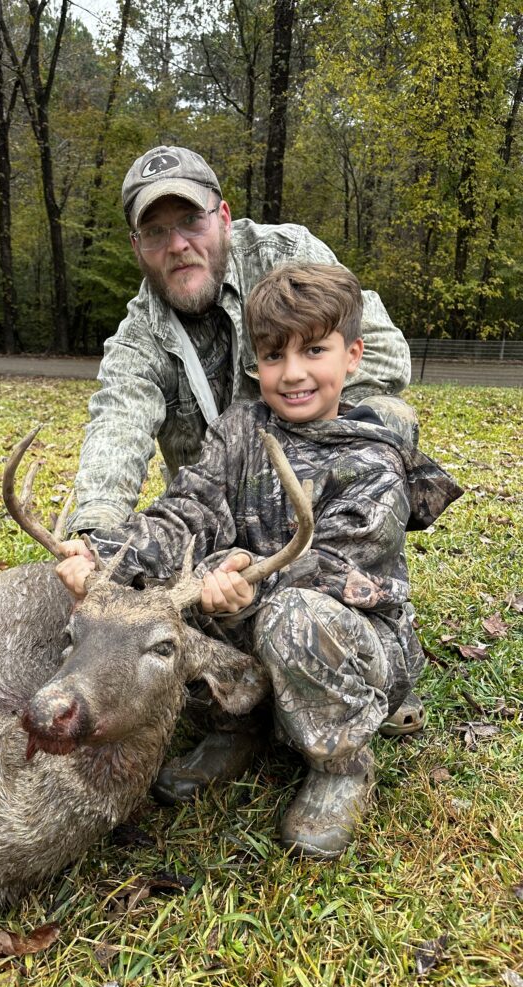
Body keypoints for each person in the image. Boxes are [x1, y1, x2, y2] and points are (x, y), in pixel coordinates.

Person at [57, 263, 462, 858]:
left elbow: (338, 566)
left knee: (290, 615)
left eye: (315, 351)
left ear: (353, 356)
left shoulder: (373, 459)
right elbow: (183, 512)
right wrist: (105, 554)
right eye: (274, 356)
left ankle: (341, 764)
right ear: (256, 364)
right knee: (164, 598)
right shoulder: (239, 430)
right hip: (245, 609)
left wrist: (242, 578)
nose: (293, 373)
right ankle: (237, 727)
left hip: (348, 637)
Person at [68, 143, 423, 759]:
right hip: (223, 497)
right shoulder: (139, 334)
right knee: (159, 580)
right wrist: (96, 543)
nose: (177, 244)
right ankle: (238, 717)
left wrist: (283, 413)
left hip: (323, 477)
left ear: (223, 215)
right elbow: (116, 425)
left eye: (190, 221)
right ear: (138, 247)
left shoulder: (289, 255)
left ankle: (356, 682)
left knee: (389, 422)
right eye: (155, 231)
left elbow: (389, 357)